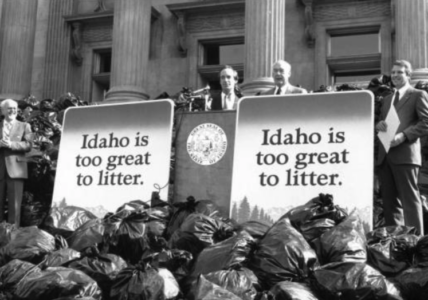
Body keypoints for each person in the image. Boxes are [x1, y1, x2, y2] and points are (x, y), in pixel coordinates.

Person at [376, 60, 428, 235]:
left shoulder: (418, 94)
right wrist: (380, 125)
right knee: (390, 203)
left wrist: (404, 135)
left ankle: (416, 243)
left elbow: (426, 122)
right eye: (393, 72)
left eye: (400, 72)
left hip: (406, 154)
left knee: (410, 201)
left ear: (408, 75)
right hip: (385, 156)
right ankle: (397, 243)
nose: (395, 75)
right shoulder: (387, 99)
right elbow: (386, 123)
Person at [0, 99, 32, 226]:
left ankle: (13, 237)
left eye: (14, 108)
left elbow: (29, 145)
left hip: (16, 169)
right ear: (2, 111)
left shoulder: (24, 126)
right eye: (9, 108)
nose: (12, 110)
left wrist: (12, 144)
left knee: (15, 206)